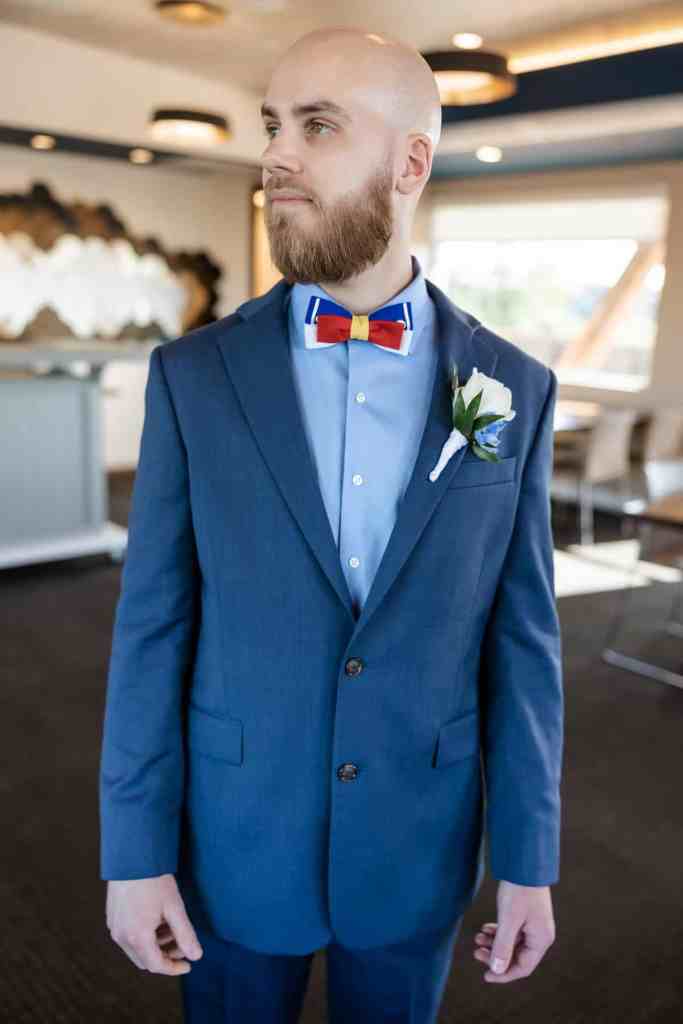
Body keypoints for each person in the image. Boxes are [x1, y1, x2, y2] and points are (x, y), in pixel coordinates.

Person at [100, 25, 564, 1024]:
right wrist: (133, 855)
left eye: (317, 126)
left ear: (410, 162)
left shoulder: (506, 390)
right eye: (273, 125)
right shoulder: (193, 377)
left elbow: (521, 646)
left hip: (415, 844)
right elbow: (151, 629)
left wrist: (529, 861)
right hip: (230, 842)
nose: (274, 156)